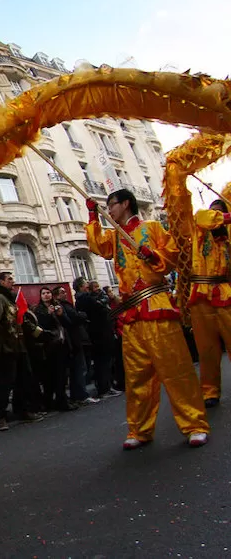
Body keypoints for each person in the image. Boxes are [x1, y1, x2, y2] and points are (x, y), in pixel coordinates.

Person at [85, 190, 209, 449]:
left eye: (112, 204)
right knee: (137, 375)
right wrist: (92, 215)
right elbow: (98, 246)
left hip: (156, 305)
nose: (111, 209)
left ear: (125, 203)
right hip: (131, 312)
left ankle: (194, 423)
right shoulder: (116, 236)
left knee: (175, 370)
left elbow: (172, 254)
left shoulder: (152, 227)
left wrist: (153, 256)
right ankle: (139, 429)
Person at [0, 272, 43, 430]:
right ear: (1, 282)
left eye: (12, 279)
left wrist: (40, 332)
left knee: (24, 379)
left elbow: (21, 320)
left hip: (20, 346)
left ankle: (23, 410)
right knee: (4, 383)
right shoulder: (0, 299)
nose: (12, 281)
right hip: (6, 348)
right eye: (9, 279)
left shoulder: (13, 300)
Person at [186, 199, 231, 408]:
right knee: (207, 349)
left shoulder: (227, 237)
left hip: (224, 291)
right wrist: (223, 216)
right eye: (215, 212)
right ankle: (210, 391)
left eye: (220, 212)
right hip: (201, 293)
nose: (216, 215)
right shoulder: (200, 223)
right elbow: (206, 217)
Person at [53, 286, 98, 406]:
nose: (65, 294)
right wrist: (81, 315)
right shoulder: (63, 306)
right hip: (73, 341)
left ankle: (78, 395)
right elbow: (72, 320)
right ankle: (80, 395)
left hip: (76, 340)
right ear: (56, 295)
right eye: (62, 292)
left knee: (79, 368)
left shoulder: (66, 305)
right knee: (79, 369)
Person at [76, 278, 121, 400]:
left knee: (105, 362)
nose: (88, 286)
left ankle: (107, 386)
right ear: (81, 286)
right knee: (102, 362)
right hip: (99, 334)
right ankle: (104, 388)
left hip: (99, 333)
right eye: (86, 284)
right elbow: (99, 307)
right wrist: (102, 301)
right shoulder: (85, 298)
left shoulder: (85, 298)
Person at [33, 287, 71, 412]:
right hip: (48, 347)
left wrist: (60, 315)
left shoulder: (58, 306)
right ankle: (48, 402)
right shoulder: (38, 309)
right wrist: (48, 315)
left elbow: (67, 323)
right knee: (48, 378)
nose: (46, 295)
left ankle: (62, 401)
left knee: (61, 376)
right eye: (43, 293)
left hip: (61, 344)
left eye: (48, 293)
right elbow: (40, 327)